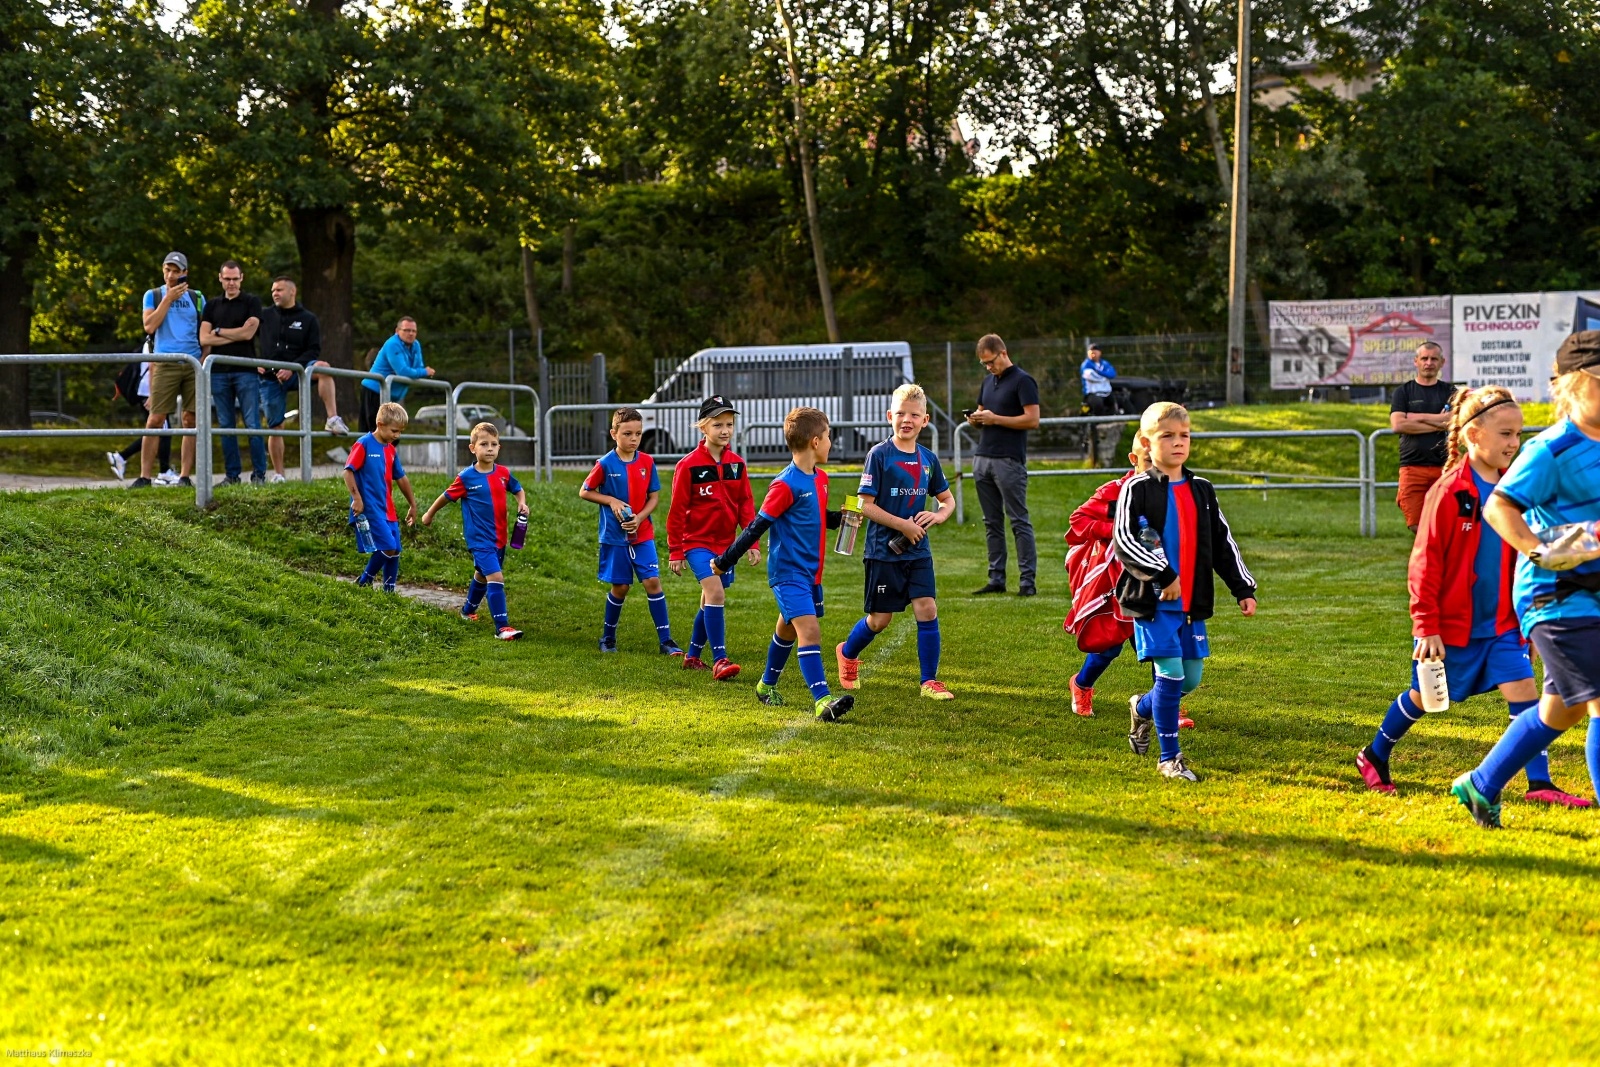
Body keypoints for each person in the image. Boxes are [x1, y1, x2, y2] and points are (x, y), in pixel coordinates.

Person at [1357, 385, 1588, 806]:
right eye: (1505, 434)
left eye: (1518, 434)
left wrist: (1527, 622)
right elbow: (1424, 564)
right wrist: (1426, 627)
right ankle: (1374, 754)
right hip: (1451, 627)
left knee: (1526, 697)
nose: (1514, 443)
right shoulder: (1448, 492)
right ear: (1473, 435)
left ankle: (1540, 784)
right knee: (1425, 698)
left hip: (1502, 624)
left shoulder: (1513, 491)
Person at [1451, 331, 1600, 829]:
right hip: (1555, 597)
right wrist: (1540, 550)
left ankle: (1482, 784)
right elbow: (1499, 504)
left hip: (1594, 595)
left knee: (1563, 710)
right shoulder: (1552, 450)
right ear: (1574, 387)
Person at [1114, 402, 1258, 782]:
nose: (1178, 443)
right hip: (1153, 601)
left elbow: (1223, 542)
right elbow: (1125, 540)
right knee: (1172, 673)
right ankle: (1169, 758)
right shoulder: (1136, 489)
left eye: (1185, 436)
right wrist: (1163, 573)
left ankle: (1142, 707)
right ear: (1146, 442)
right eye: (1167, 436)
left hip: (1193, 602)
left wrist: (1242, 587)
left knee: (1190, 679)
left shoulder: (1202, 489)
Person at [713, 407, 853, 722]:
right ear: (816, 441)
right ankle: (823, 700)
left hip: (811, 573)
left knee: (787, 630)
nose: (831, 442)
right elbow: (756, 528)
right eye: (829, 436)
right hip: (788, 573)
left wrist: (839, 519)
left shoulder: (821, 478)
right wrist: (724, 561)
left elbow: (813, 517)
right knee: (809, 629)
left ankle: (766, 685)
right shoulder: (785, 484)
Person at [834, 383, 957, 700]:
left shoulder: (928, 459)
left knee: (927, 609)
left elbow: (947, 500)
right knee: (880, 620)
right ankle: (847, 653)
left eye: (914, 415)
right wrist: (903, 524)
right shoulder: (879, 455)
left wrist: (939, 515)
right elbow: (865, 504)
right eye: (901, 413)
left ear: (925, 420)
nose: (907, 419)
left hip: (918, 551)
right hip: (882, 552)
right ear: (890, 415)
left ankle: (929, 681)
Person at [667, 395, 760, 679]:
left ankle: (693, 656)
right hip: (697, 544)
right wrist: (675, 551)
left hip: (727, 547)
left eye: (729, 424)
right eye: (718, 424)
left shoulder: (737, 465)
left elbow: (746, 505)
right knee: (716, 593)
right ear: (703, 428)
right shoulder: (689, 465)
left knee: (709, 600)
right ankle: (720, 659)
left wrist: (751, 543)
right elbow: (677, 510)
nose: (725, 430)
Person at [579, 408, 682, 656]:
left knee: (653, 582)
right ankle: (608, 638)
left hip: (642, 534)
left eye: (638, 433)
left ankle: (666, 641)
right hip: (615, 538)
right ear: (614, 434)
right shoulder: (604, 464)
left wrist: (640, 518)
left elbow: (654, 497)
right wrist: (611, 501)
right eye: (627, 433)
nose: (633, 439)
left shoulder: (647, 462)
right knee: (621, 588)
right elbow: (585, 491)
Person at [420, 422, 528, 641]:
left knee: (482, 574)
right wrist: (429, 514)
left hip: (500, 538)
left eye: (494, 444)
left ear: (499, 447)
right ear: (473, 448)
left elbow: (517, 489)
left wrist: (522, 503)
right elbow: (445, 496)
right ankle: (502, 627)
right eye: (484, 444)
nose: (490, 448)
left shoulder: (504, 474)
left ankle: (467, 611)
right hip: (479, 540)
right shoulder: (466, 477)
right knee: (495, 577)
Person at [967, 333, 1041, 596]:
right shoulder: (988, 382)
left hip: (1009, 460)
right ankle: (996, 578)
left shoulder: (1023, 381)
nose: (989, 367)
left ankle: (1027, 582)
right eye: (984, 364)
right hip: (983, 457)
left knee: (1019, 520)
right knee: (991, 522)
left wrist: (995, 418)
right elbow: (982, 412)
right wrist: (976, 420)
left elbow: (1032, 420)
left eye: (991, 361)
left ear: (1003, 353)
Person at [258, 276, 348, 482]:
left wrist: (294, 368)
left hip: (299, 370)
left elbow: (313, 350)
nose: (275, 293)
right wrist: (256, 361)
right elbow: (249, 337)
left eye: (279, 290)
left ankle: (333, 419)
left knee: (324, 368)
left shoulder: (308, 318)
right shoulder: (264, 315)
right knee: (275, 426)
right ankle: (279, 474)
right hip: (271, 377)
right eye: (273, 290)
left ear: (292, 292)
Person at [133, 252, 203, 489]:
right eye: (167, 270)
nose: (171, 275)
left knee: (190, 419)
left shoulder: (197, 297)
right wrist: (168, 299)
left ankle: (184, 476)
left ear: (185, 272)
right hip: (165, 362)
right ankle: (144, 477)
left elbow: (204, 331)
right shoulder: (152, 295)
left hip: (193, 363)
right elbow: (150, 325)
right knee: (155, 419)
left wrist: (203, 358)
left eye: (176, 271)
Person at [199, 261, 267, 485]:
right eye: (227, 278)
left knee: (252, 424)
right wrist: (234, 332)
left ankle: (259, 475)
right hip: (218, 373)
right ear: (220, 278)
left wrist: (218, 331)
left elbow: (248, 335)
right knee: (226, 426)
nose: (231, 283)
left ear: (241, 278)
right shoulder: (211, 305)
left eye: (235, 279)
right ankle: (232, 476)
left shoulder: (251, 302)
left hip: (246, 371)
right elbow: (204, 338)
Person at [344, 401, 417, 593]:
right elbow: (348, 472)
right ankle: (364, 581)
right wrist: (357, 499)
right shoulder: (364, 444)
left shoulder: (391, 450)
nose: (397, 436)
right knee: (388, 546)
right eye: (394, 431)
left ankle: (389, 591)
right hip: (369, 509)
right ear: (380, 424)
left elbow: (401, 477)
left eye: (400, 432)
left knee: (396, 550)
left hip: (388, 509)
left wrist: (412, 504)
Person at [1389, 340, 1453, 533]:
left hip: (1444, 467)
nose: (1429, 362)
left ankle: (1440, 562)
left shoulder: (1451, 392)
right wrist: (1439, 421)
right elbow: (1398, 424)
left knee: (1445, 522)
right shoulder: (1403, 392)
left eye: (1434, 359)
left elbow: (1454, 422)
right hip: (1411, 467)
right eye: (1424, 358)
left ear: (1442, 362)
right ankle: (1425, 561)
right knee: (1416, 524)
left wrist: (1418, 417)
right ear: (1416, 361)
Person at [360, 317, 432, 432]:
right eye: (407, 330)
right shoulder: (392, 344)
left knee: (393, 432)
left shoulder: (416, 345)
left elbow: (417, 367)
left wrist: (418, 371)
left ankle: (386, 450)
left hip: (392, 395)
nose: (411, 334)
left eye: (414, 331)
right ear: (397, 331)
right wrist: (424, 372)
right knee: (373, 432)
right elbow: (403, 371)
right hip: (374, 390)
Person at [108, 360, 173, 483]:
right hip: (150, 393)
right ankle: (164, 472)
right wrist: (152, 394)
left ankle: (122, 457)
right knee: (161, 430)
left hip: (151, 392)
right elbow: (152, 366)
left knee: (159, 431)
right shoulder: (152, 343)